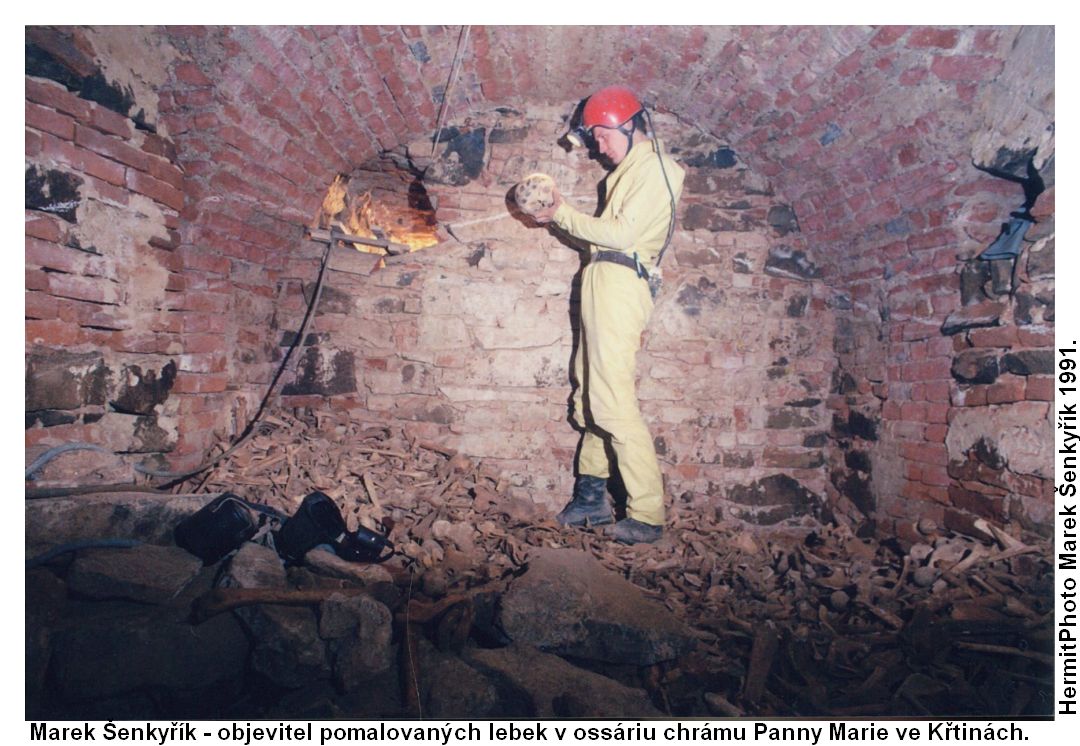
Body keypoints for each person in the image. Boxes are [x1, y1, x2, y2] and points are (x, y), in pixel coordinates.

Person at [532, 86, 685, 545]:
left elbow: (621, 235)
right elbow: (605, 238)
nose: (597, 147)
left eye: (599, 135)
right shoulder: (626, 174)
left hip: (621, 282)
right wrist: (557, 218)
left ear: (626, 122)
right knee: (591, 392)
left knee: (613, 399)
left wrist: (561, 214)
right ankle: (591, 499)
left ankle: (647, 513)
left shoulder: (660, 169)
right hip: (603, 278)